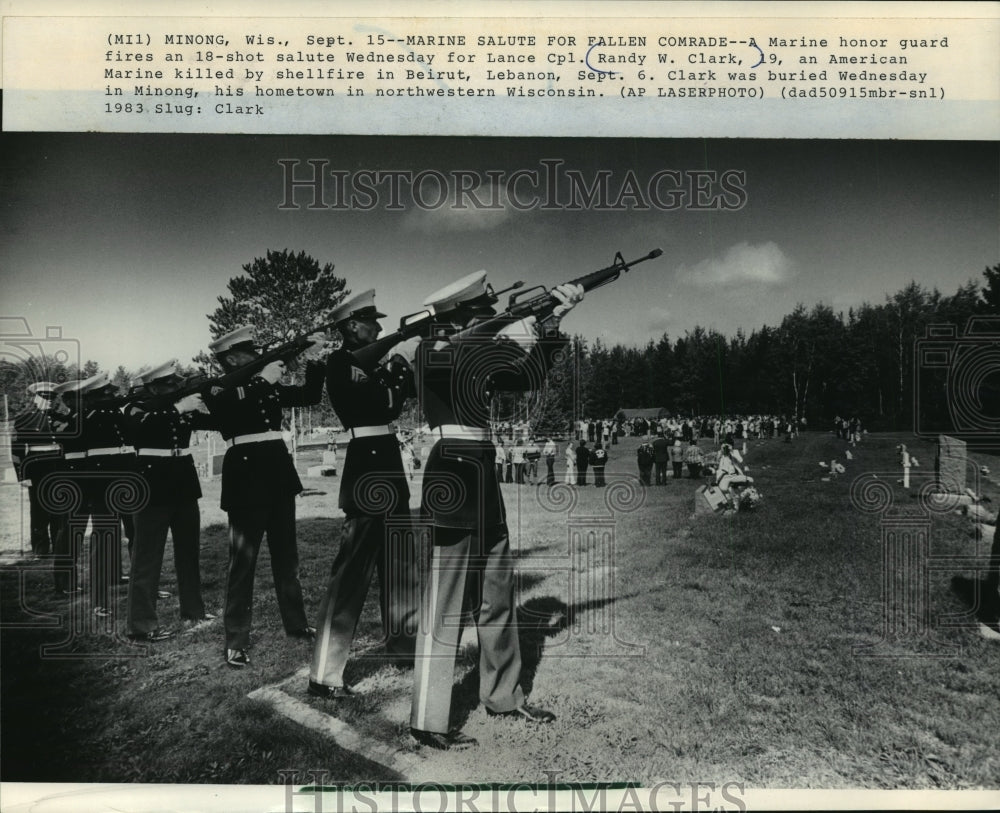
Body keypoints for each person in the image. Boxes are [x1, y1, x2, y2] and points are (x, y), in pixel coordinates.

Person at [409, 270, 584, 750]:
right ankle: (428, 718)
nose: (495, 320)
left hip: (482, 471)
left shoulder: (473, 348)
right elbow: (474, 356)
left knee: (498, 593)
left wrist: (551, 324)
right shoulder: (435, 350)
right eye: (486, 315)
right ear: (462, 316)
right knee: (446, 603)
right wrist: (525, 326)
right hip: (453, 473)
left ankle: (503, 695)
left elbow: (522, 380)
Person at [308, 291, 420, 700]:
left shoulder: (372, 361)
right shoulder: (339, 364)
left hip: (387, 466)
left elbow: (405, 394)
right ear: (351, 326)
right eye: (372, 323)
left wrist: (404, 361)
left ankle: (404, 646)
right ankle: (324, 673)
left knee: (402, 566)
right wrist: (400, 360)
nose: (379, 328)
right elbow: (387, 404)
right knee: (351, 575)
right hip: (367, 467)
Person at [202, 326, 324, 669]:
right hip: (246, 479)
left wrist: (314, 361)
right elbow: (226, 406)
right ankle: (236, 641)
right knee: (243, 564)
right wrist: (262, 381)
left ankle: (296, 624)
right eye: (249, 352)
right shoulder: (219, 387)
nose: (258, 357)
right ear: (230, 358)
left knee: (288, 558)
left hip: (278, 476)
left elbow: (308, 396)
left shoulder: (262, 385)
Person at [125, 361, 216, 642]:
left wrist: (213, 396)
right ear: (154, 387)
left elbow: (215, 422)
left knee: (188, 552)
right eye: (170, 384)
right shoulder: (136, 407)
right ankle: (141, 624)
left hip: (183, 485)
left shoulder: (179, 407)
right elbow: (136, 429)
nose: (177, 387)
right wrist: (178, 408)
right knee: (147, 558)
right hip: (152, 488)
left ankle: (193, 609)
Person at [11, 382, 62, 558]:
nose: (50, 401)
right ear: (36, 397)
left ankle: (59, 545)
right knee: (39, 509)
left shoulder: (59, 417)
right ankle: (40, 549)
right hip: (37, 468)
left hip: (58, 466)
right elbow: (17, 450)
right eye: (46, 397)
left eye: (53, 398)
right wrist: (22, 475)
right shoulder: (24, 418)